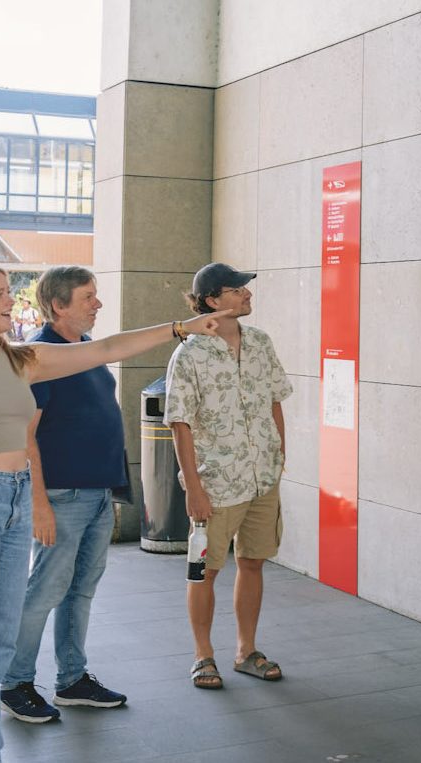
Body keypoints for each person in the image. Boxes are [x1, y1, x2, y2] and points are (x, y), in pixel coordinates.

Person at [0, 262, 227, 763]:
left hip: (12, 499)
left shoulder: (23, 360)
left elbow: (108, 347)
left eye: (10, 291)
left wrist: (180, 328)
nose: (12, 299)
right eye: (2, 293)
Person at [0, 266, 128, 724]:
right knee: (46, 590)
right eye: (89, 297)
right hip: (61, 496)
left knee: (81, 590)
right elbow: (25, 435)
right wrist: (39, 505)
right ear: (59, 305)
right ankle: (14, 683)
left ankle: (72, 679)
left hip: (94, 492)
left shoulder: (84, 352)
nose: (98, 303)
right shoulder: (42, 355)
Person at [165, 263, 291, 690]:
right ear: (212, 301)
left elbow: (275, 399)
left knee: (253, 561)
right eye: (237, 290)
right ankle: (203, 656)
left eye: (246, 289)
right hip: (215, 483)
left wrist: (280, 455)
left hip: (261, 478)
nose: (247, 294)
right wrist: (193, 488)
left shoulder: (260, 343)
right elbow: (179, 422)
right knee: (205, 569)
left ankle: (246, 650)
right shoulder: (189, 354)